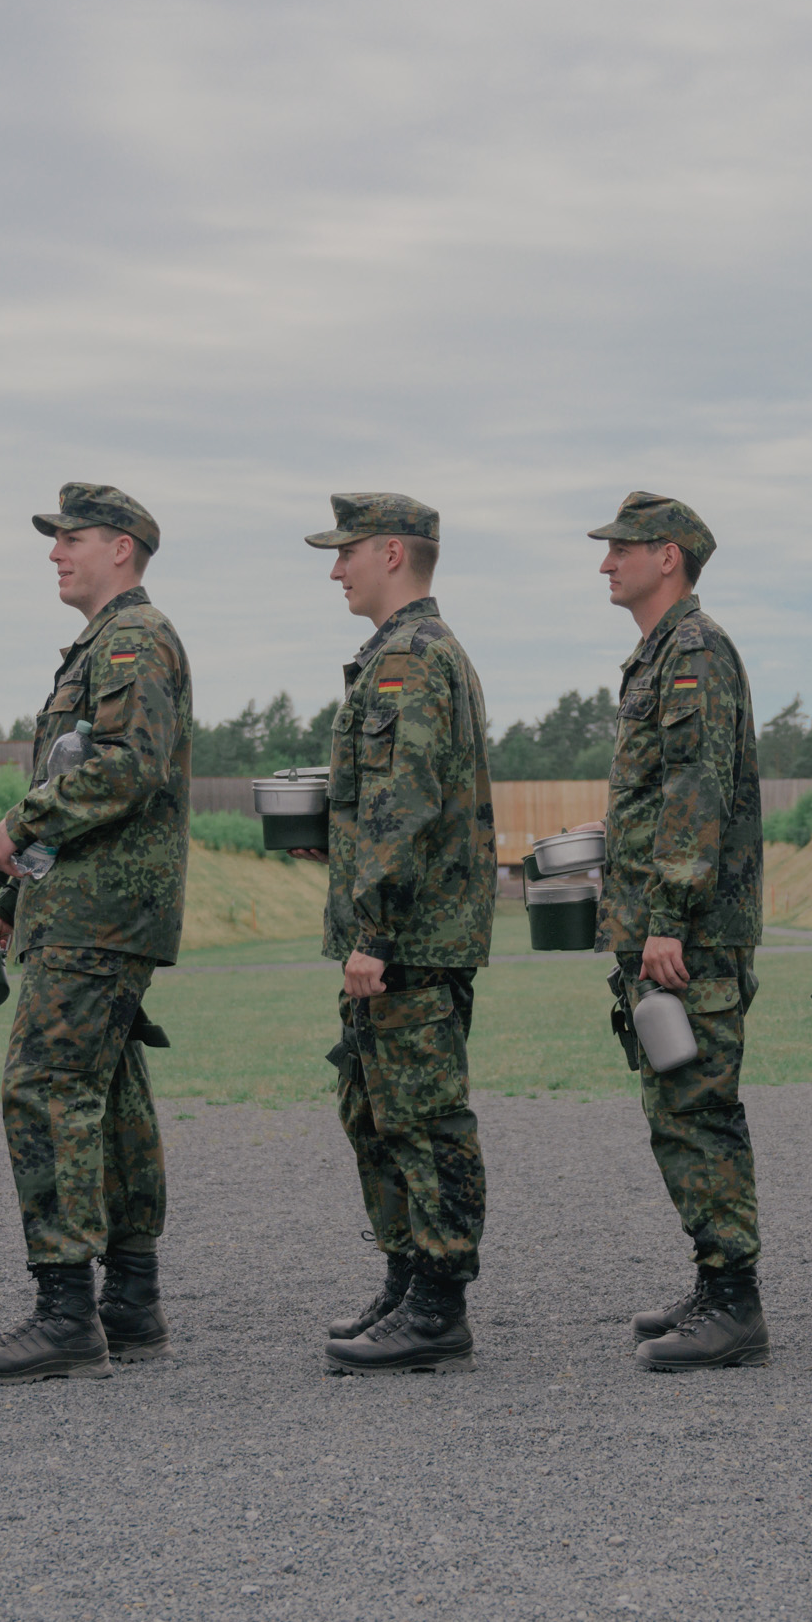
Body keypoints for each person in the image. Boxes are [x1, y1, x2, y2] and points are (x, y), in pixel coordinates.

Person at [0, 484, 191, 1384]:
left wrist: (22, 820)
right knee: (110, 1096)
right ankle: (128, 1301)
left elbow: (128, 768)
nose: (55, 552)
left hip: (101, 914)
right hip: (83, 907)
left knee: (44, 1087)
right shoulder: (102, 644)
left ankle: (64, 1315)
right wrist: (9, 906)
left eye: (71, 538)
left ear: (121, 547)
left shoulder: (133, 638)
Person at [296, 494, 497, 1375]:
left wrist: (374, 931)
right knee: (375, 1108)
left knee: (422, 1115)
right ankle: (409, 1279)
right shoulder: (403, 653)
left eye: (345, 553)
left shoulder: (411, 657)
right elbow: (389, 799)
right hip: (404, 930)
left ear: (390, 553)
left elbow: (404, 802)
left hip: (411, 936)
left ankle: (439, 1305)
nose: (335, 571)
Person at [589, 491, 769, 1372]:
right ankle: (714, 1281)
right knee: (675, 1109)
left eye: (621, 548)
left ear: (668, 557)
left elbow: (697, 792)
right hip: (663, 927)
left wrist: (666, 919)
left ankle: (735, 1305)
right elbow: (658, 796)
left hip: (687, 933)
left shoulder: (694, 650)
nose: (605, 562)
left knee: (698, 1108)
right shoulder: (658, 654)